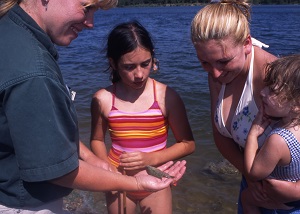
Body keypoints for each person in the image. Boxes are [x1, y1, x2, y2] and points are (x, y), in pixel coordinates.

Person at [0, 1, 187, 213]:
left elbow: (38, 132)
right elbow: (56, 168)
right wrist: (131, 181)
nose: (90, 23)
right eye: (87, 7)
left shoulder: (10, 34)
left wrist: (91, 159)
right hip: (21, 202)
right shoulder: (34, 70)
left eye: (145, 64)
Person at [190, 0, 300, 213]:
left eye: (223, 61)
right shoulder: (216, 75)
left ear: (247, 43)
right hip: (252, 187)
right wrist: (250, 177)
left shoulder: (275, 78)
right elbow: (219, 134)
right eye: (204, 62)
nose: (214, 73)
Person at [90, 20, 195, 214]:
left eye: (145, 64)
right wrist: (106, 169)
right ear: (113, 63)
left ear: (153, 58)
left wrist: (151, 158)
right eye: (129, 67)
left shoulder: (166, 96)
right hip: (118, 180)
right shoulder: (103, 99)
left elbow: (188, 143)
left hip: (156, 180)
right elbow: (96, 139)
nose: (139, 74)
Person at [243, 54, 300, 214]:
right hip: (294, 199)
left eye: (272, 90)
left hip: (275, 198)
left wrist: (253, 136)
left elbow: (253, 173)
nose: (262, 92)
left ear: (296, 104)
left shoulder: (279, 140)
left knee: (246, 198)